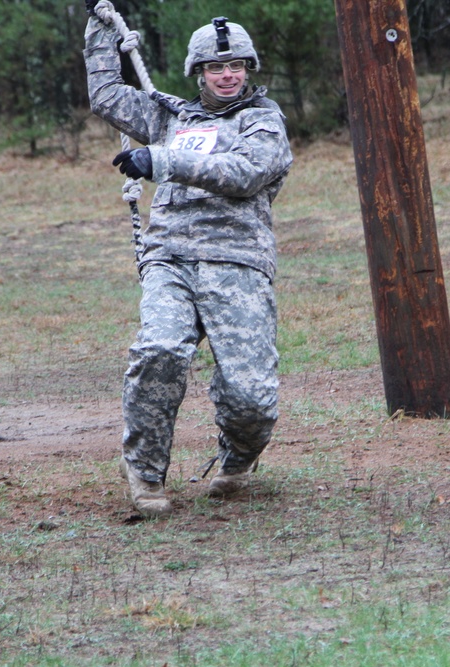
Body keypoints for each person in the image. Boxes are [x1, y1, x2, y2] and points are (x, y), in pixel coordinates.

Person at [84, 3, 293, 517]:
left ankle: (239, 456)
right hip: (170, 258)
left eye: (237, 66)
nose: (228, 76)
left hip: (237, 261)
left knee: (250, 397)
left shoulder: (262, 121)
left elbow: (245, 172)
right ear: (198, 73)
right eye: (217, 68)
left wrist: (162, 159)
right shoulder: (168, 115)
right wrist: (99, 29)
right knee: (159, 352)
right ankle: (147, 474)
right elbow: (106, 95)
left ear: (248, 71)